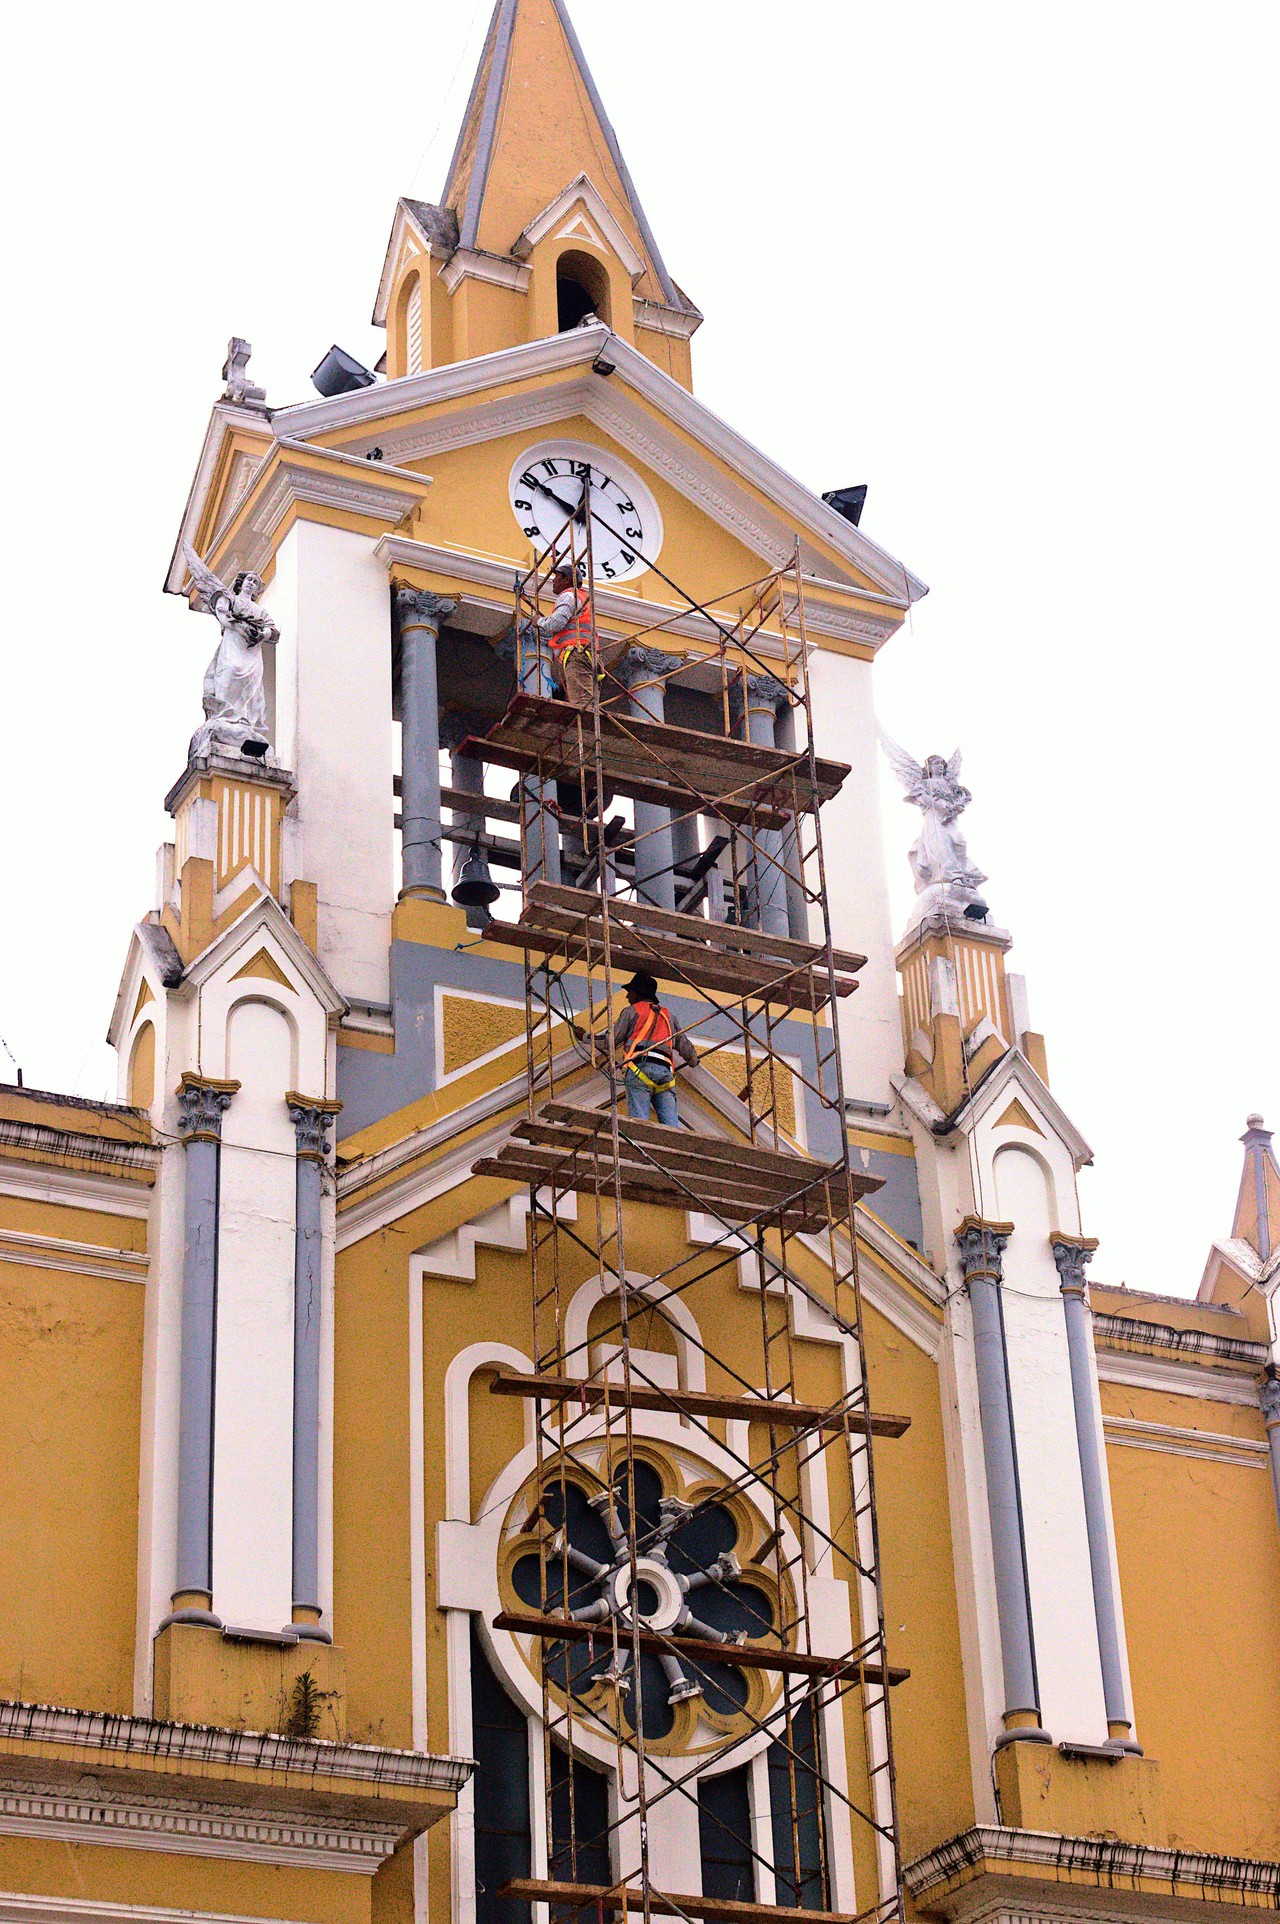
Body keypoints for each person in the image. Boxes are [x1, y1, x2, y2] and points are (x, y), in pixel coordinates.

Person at [603, 973, 698, 1126]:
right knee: (671, 1128)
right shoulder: (669, 1016)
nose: (628, 996)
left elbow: (610, 1041)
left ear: (639, 994)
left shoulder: (631, 1011)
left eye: (630, 992)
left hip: (639, 1071)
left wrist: (585, 1037)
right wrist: (694, 1061)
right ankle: (672, 1149)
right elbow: (686, 1048)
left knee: (640, 1125)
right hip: (665, 1075)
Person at [536, 564, 598, 710]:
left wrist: (538, 621)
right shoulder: (583, 598)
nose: (553, 580)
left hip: (577, 654)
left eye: (556, 576)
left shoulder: (569, 595)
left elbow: (555, 623)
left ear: (566, 579)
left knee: (582, 706)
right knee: (586, 701)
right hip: (587, 655)